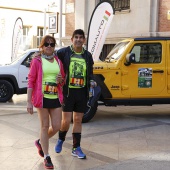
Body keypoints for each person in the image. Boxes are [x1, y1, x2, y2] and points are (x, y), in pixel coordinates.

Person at [54, 29, 96, 159]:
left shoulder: (87, 55)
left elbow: (90, 73)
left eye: (80, 37)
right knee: (66, 121)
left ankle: (76, 147)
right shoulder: (64, 52)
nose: (78, 39)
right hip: (68, 92)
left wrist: (91, 81)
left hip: (82, 93)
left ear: (84, 40)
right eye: (76, 37)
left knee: (78, 120)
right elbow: (51, 58)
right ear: (72, 39)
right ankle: (61, 139)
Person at [27, 35, 65, 169]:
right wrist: (28, 102)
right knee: (44, 126)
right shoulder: (37, 61)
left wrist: (61, 80)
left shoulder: (58, 61)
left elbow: (62, 80)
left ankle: (40, 141)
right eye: (47, 44)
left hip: (55, 97)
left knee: (56, 126)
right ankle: (47, 156)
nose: (49, 46)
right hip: (41, 98)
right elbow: (31, 80)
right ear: (42, 46)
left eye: (52, 44)